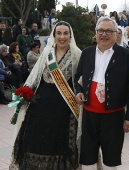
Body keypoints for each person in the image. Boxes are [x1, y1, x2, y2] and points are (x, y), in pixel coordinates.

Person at [9, 21, 81, 170]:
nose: (62, 37)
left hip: (64, 108)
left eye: (65, 33)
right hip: (40, 106)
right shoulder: (47, 54)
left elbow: (80, 82)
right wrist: (25, 94)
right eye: (59, 33)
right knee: (36, 140)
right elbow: (36, 77)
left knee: (59, 143)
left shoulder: (78, 55)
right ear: (54, 35)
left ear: (70, 35)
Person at [74, 16, 129, 170]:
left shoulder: (127, 56)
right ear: (96, 33)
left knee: (111, 159)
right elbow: (77, 78)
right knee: (87, 157)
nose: (104, 34)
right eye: (101, 30)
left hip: (114, 117)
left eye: (109, 31)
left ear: (116, 34)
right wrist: (79, 91)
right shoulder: (87, 53)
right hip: (89, 115)